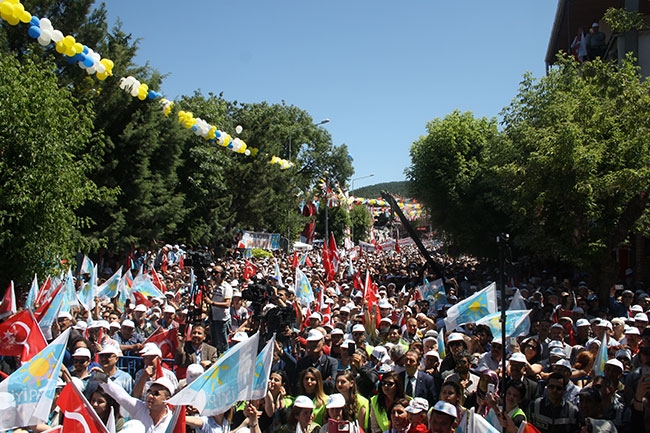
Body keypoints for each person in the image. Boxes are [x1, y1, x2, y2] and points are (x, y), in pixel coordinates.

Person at [100, 376, 176, 433]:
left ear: (167, 399)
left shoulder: (172, 421)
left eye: (155, 394)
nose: (150, 396)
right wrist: (100, 376)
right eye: (149, 392)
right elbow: (119, 395)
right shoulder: (139, 408)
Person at [206, 265, 233, 355]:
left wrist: (211, 303)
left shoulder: (226, 287)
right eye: (212, 272)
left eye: (216, 273)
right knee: (214, 343)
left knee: (223, 345)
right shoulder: (215, 286)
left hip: (222, 320)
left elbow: (227, 304)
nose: (213, 275)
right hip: (213, 318)